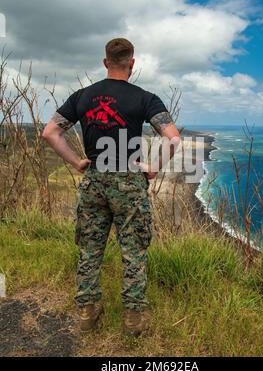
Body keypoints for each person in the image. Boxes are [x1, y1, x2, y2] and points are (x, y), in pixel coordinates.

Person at [42, 38, 181, 335]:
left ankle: (87, 314)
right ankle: (133, 320)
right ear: (132, 63)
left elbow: (50, 132)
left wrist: (78, 162)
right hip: (129, 181)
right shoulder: (145, 98)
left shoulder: (82, 96)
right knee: (133, 250)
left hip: (94, 180)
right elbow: (173, 139)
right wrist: (153, 168)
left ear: (105, 63)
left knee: (90, 248)